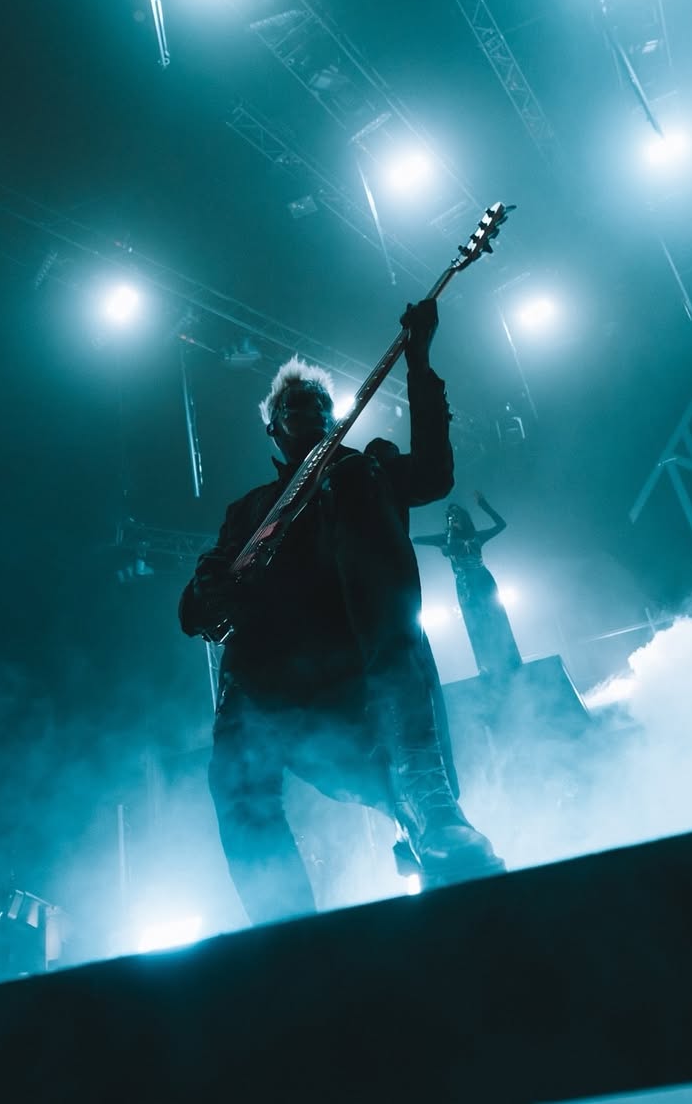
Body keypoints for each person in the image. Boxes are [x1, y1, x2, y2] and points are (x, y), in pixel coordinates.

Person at [178, 300, 503, 926]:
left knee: (402, 782)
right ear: (272, 429)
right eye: (291, 408)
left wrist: (419, 364)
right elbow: (195, 616)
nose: (306, 413)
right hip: (275, 684)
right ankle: (283, 924)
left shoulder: (367, 470)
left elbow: (434, 476)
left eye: (317, 405)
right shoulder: (247, 512)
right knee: (236, 781)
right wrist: (205, 587)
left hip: (362, 667)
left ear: (335, 417)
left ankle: (432, 815)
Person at [413, 493, 522, 678]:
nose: (454, 518)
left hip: (484, 581)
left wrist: (484, 504)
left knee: (496, 617)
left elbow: (501, 525)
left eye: (456, 515)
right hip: (466, 586)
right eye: (451, 516)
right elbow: (417, 540)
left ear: (464, 517)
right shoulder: (445, 538)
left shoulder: (476, 536)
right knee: (475, 623)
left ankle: (511, 660)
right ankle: (486, 666)